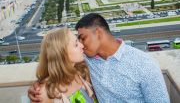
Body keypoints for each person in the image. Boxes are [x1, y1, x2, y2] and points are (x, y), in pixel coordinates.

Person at [29, 13, 170, 103]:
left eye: (82, 38)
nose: (82, 46)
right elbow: (56, 65)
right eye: (77, 42)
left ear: (98, 33)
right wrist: (37, 88)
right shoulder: (87, 62)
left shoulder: (145, 65)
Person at [33, 27, 97, 103]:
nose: (82, 46)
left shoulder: (82, 72)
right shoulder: (45, 93)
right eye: (76, 44)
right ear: (61, 54)